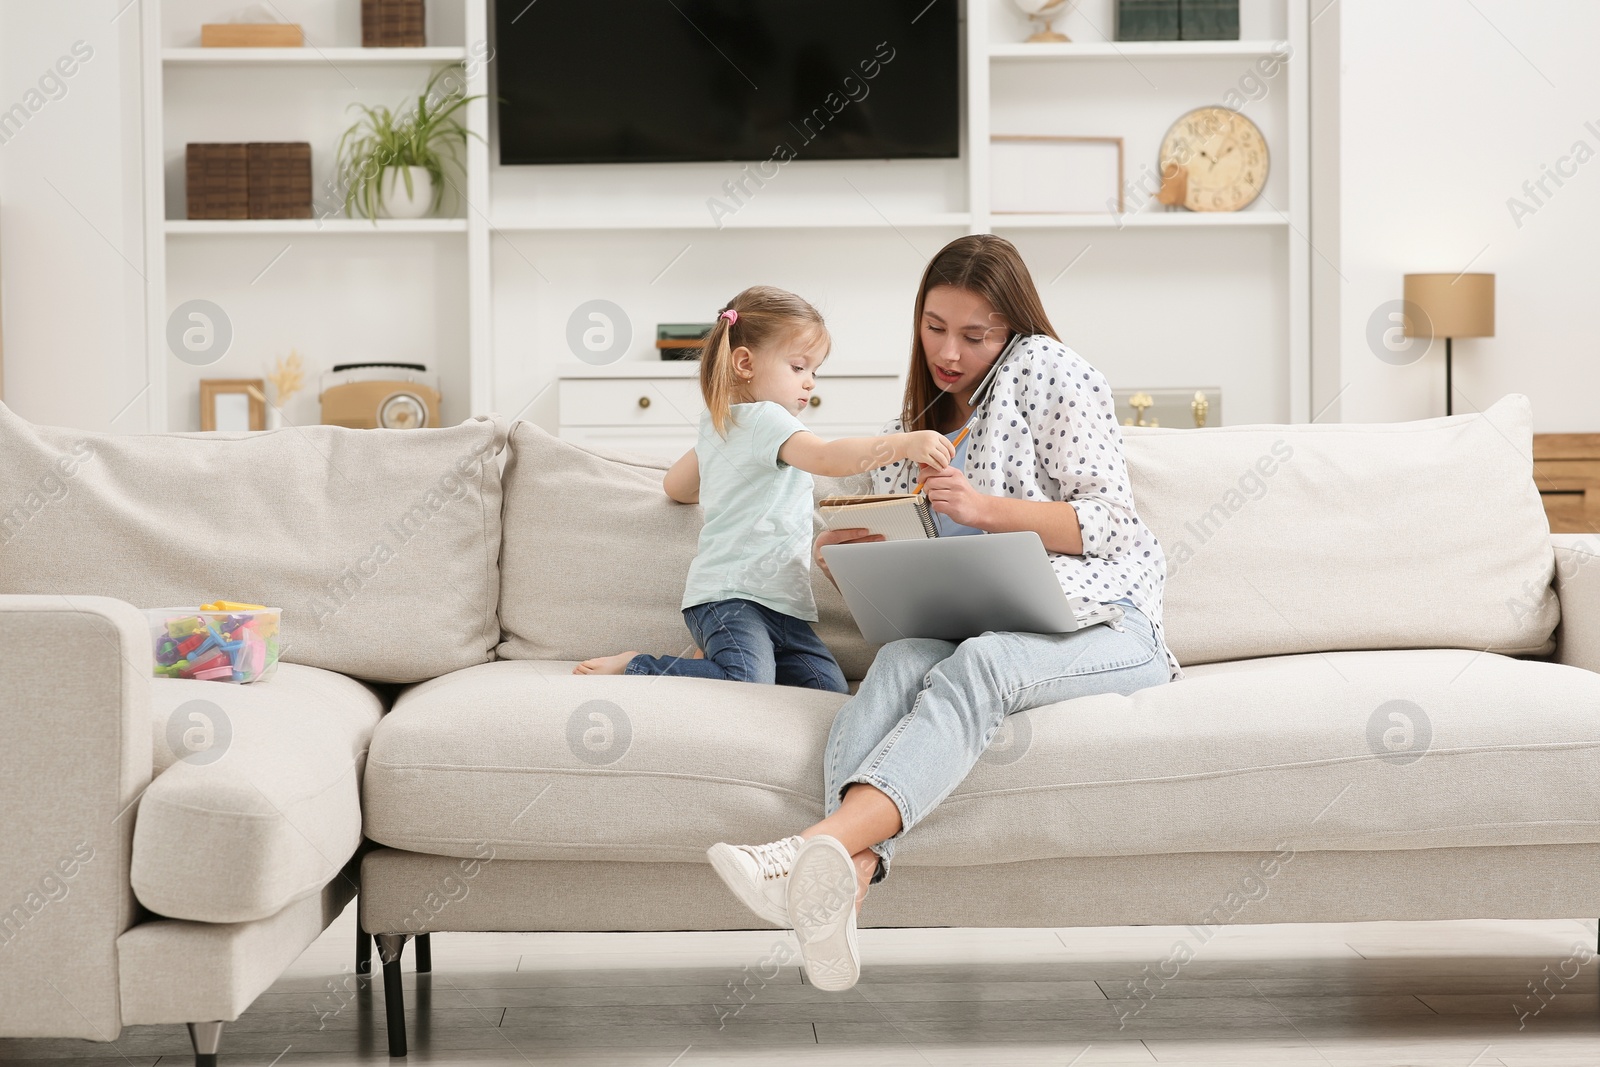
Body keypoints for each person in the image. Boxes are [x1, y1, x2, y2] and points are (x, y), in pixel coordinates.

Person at [705, 236, 1183, 991]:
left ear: (1012, 328)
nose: (949, 351)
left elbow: (1114, 525)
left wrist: (987, 509)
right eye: (934, 327)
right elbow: (895, 534)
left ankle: (804, 852)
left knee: (984, 663)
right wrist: (846, 550)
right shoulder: (921, 419)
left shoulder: (1051, 372)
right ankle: (843, 883)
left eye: (974, 334)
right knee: (898, 662)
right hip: (988, 619)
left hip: (1110, 621)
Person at [575, 284, 955, 691]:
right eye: (798, 367)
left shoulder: (721, 428)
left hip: (785, 608)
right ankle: (638, 665)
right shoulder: (767, 419)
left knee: (829, 690)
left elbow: (676, 487)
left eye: (814, 371)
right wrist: (903, 443)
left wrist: (730, 474)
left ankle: (715, 660)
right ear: (744, 363)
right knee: (746, 680)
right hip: (730, 598)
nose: (810, 382)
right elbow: (826, 458)